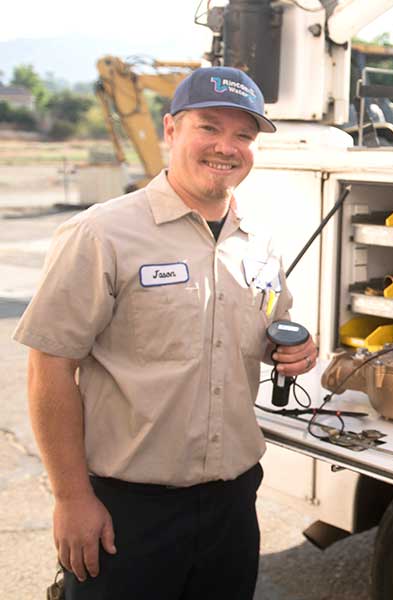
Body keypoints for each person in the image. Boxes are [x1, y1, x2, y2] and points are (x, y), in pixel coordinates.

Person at [13, 66, 317, 599]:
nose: (227, 147)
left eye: (243, 135)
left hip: (232, 504)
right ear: (171, 130)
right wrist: (71, 498)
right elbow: (50, 368)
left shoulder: (258, 244)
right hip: (127, 511)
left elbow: (265, 331)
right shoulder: (102, 233)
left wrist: (293, 349)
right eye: (209, 127)